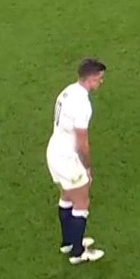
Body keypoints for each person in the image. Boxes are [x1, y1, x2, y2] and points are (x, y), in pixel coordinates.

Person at [47, 58, 108, 265]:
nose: (101, 82)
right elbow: (82, 142)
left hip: (54, 151)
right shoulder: (83, 104)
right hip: (68, 158)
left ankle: (69, 242)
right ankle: (78, 253)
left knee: (66, 195)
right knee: (82, 201)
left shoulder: (67, 91)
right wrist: (87, 167)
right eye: (99, 79)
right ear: (90, 79)